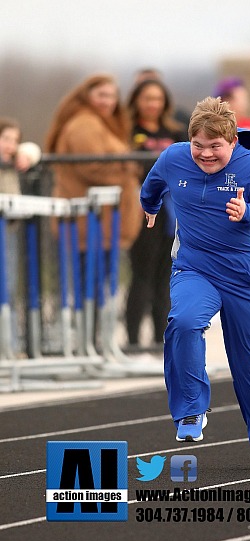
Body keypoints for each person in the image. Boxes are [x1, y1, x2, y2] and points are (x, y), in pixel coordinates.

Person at [140, 96, 250, 471]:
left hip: (245, 277)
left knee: (249, 362)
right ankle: (191, 412)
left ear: (233, 141)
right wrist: (151, 207)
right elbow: (153, 184)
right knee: (184, 321)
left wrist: (247, 212)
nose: (205, 154)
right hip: (195, 268)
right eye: (198, 145)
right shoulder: (174, 157)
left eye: (215, 146)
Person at [45, 74, 142, 255]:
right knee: (91, 281)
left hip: (100, 225)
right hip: (90, 223)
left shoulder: (98, 123)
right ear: (86, 96)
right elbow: (92, 167)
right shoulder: (85, 124)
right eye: (101, 95)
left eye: (112, 96)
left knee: (99, 281)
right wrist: (128, 170)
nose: (107, 102)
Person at [125, 78, 187, 350]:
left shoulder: (175, 132)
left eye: (157, 98)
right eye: (147, 98)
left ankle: (161, 339)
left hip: (171, 211)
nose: (152, 104)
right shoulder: (127, 131)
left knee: (166, 274)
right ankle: (133, 340)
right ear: (136, 100)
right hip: (141, 208)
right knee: (142, 274)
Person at [0, 118, 41, 354]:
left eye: (15, 140)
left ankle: (11, 346)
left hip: (9, 230)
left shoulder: (16, 162)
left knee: (9, 288)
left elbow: (33, 152)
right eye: (6, 139)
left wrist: (25, 155)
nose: (11, 145)